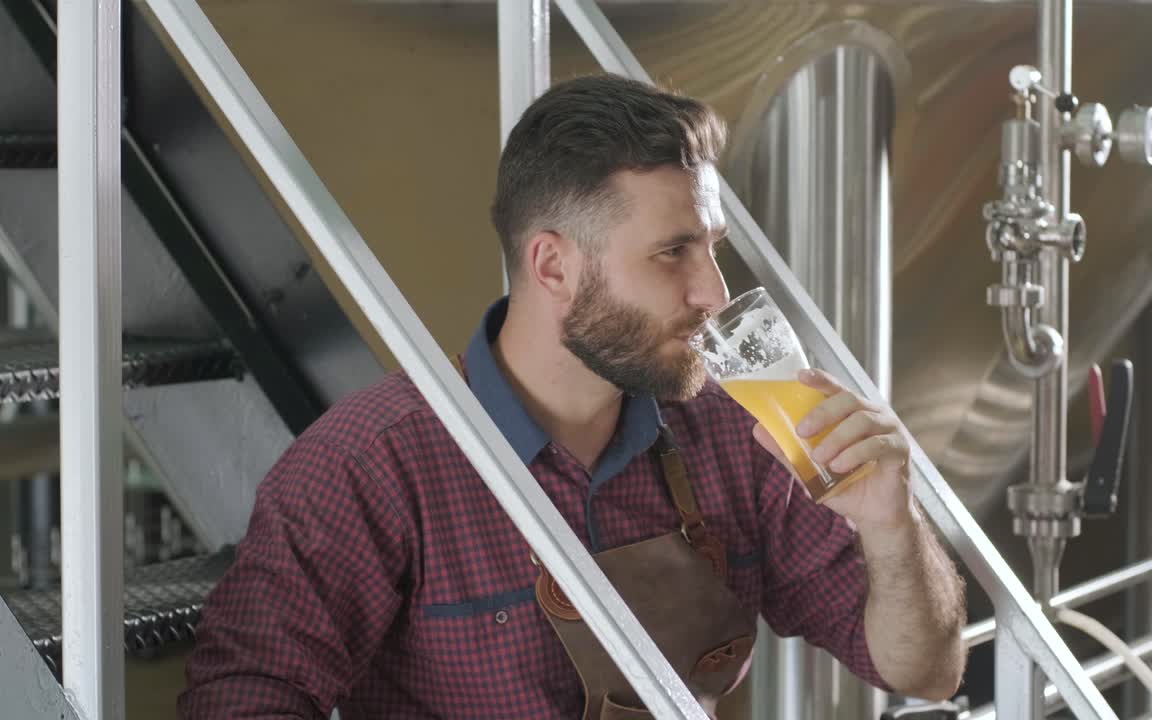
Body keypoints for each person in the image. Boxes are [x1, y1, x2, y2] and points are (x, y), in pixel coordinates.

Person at [179, 73, 966, 720]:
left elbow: (926, 671)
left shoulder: (733, 431)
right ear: (553, 267)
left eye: (712, 247)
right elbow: (242, 700)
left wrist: (892, 527)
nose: (713, 293)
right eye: (673, 252)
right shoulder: (369, 466)